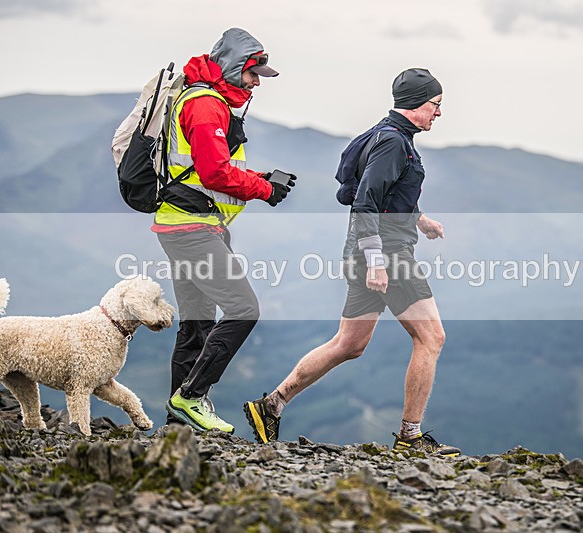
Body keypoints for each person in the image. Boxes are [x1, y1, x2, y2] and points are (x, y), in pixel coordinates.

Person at [244, 68, 460, 456]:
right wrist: (377, 261)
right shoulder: (394, 143)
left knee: (349, 343)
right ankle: (410, 437)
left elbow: (377, 191)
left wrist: (420, 219)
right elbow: (365, 202)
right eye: (436, 105)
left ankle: (271, 405)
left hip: (367, 252)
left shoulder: (384, 134)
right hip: (387, 255)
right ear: (416, 104)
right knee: (431, 338)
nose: (439, 113)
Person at [156, 28, 295, 433]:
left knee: (197, 321)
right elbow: (215, 172)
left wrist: (259, 177)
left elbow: (203, 168)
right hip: (191, 228)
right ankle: (190, 397)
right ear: (235, 66)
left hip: (182, 223)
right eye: (254, 74)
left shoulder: (204, 99)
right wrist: (264, 189)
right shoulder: (205, 105)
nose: (256, 83)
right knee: (243, 309)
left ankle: (176, 424)